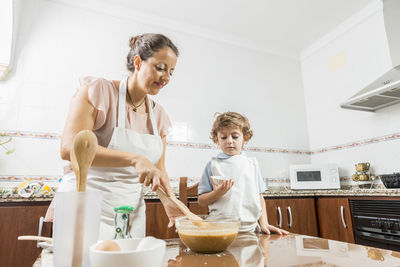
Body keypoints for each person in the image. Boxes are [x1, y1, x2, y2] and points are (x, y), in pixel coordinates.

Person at [45, 33, 183, 239]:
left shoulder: (160, 116)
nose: (166, 78)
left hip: (129, 213)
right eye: (160, 68)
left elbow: (159, 169)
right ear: (138, 62)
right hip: (86, 205)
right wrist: (135, 158)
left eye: (171, 72)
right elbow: (69, 148)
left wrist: (170, 203)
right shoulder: (98, 91)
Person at [198, 112, 289, 235]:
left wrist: (264, 223)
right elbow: (201, 201)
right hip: (219, 230)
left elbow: (259, 196)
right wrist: (217, 193)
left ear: (245, 138)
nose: (229, 141)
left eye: (235, 136)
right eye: (223, 137)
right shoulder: (212, 165)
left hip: (250, 230)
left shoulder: (252, 165)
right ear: (216, 139)